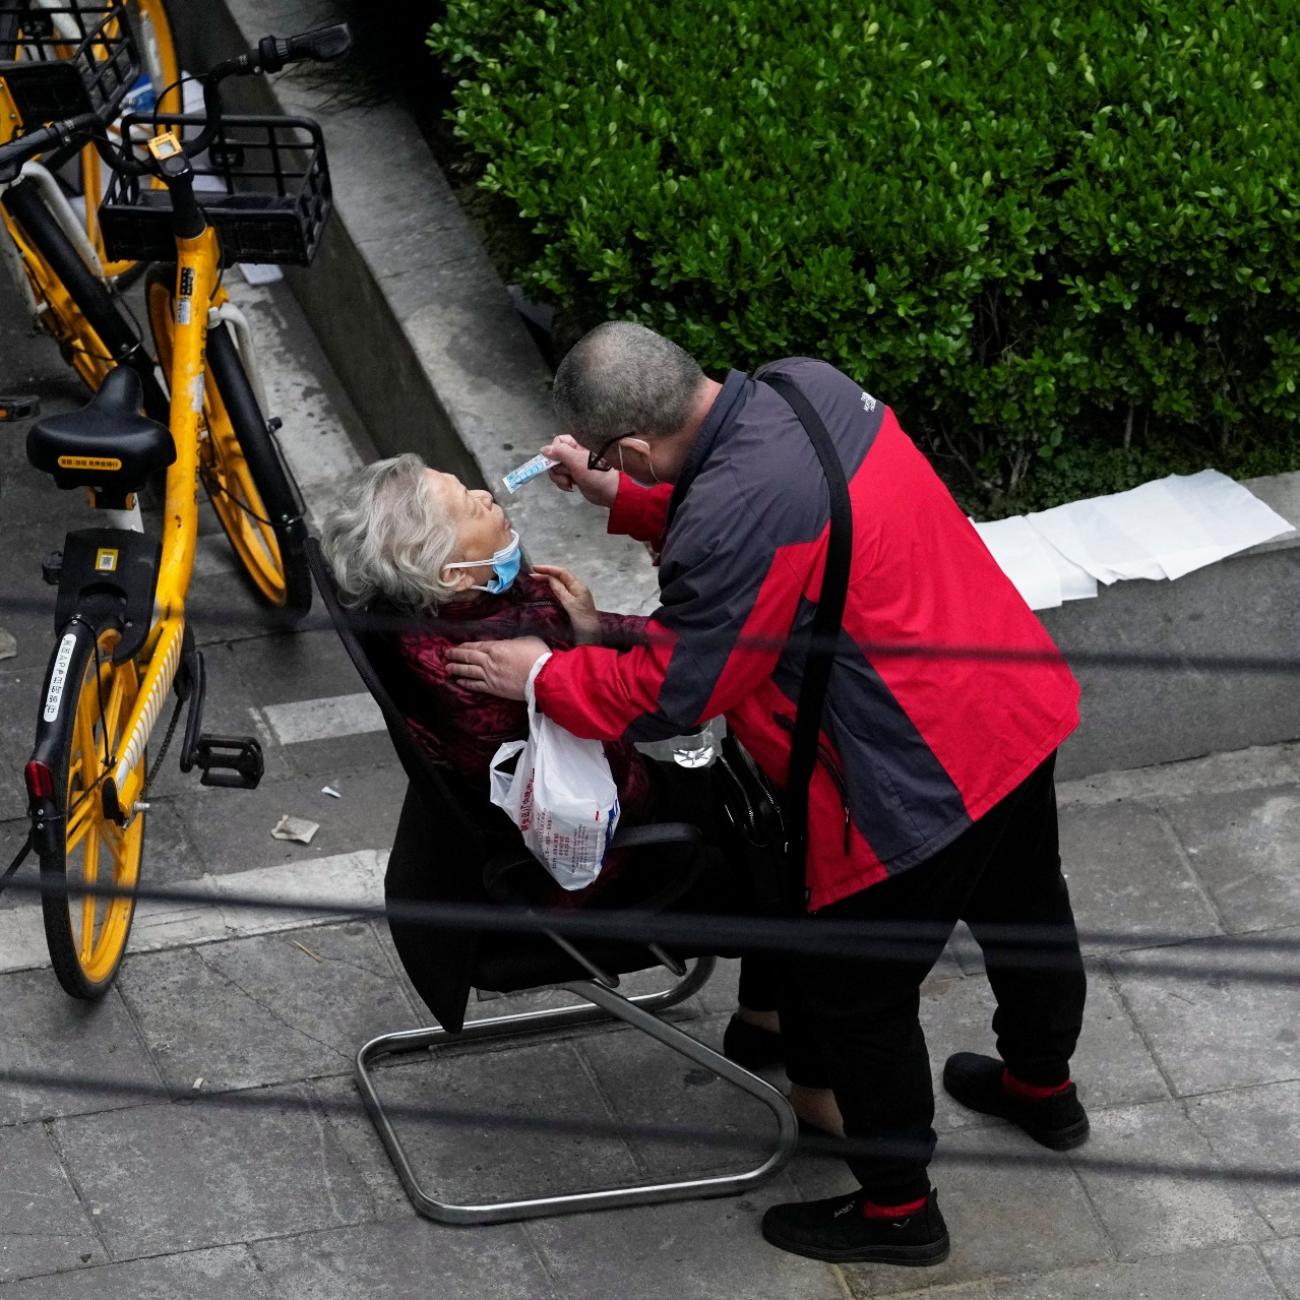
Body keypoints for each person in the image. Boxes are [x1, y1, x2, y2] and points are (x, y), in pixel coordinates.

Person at [446, 322, 1088, 1267]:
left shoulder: (736, 509)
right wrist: (626, 498)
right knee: (1028, 913)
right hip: (1010, 707)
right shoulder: (806, 386)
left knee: (854, 996)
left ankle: (898, 1212)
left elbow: (674, 697)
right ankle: (1044, 1090)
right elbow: (779, 533)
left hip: (915, 778)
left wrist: (542, 675)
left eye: (620, 465)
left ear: (629, 441)